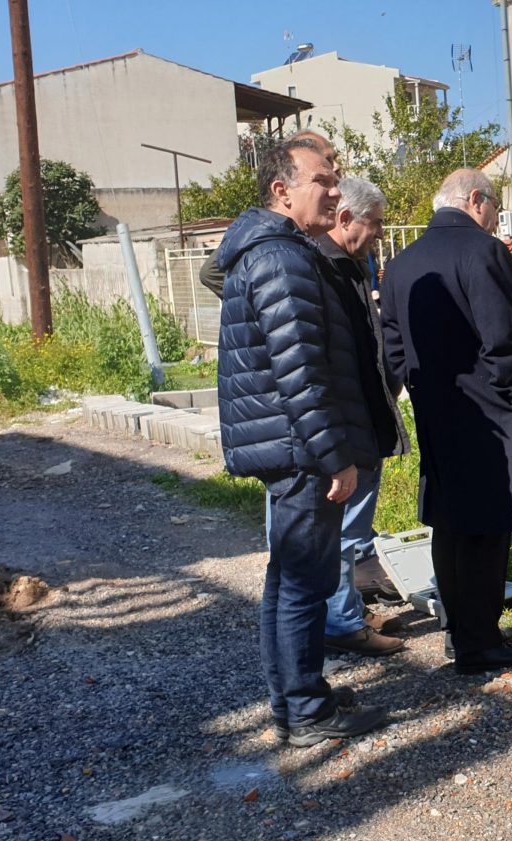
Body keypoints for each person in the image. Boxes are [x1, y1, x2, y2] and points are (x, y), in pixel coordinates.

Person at [214, 139, 386, 746]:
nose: (335, 190)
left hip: (289, 446)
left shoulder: (272, 251)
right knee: (302, 583)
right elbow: (301, 372)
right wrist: (332, 456)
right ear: (282, 191)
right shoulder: (282, 260)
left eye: (336, 179)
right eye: (323, 180)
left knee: (290, 580)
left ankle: (297, 702)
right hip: (300, 450)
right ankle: (307, 713)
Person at [379, 169, 512, 675]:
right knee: (487, 529)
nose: (496, 218)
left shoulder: (401, 263)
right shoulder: (483, 251)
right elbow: (505, 340)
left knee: (449, 524)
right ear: (476, 200)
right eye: (494, 207)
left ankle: (457, 631)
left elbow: (392, 348)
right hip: (488, 416)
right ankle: (481, 644)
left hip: (436, 410)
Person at [312, 175, 409, 657]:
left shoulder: (351, 264)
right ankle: (344, 624)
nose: (377, 234)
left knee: (346, 531)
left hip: (361, 415)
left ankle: (342, 612)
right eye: (373, 224)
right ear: (346, 217)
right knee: (345, 531)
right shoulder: (322, 267)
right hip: (348, 422)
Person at [199, 130, 339, 299]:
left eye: (334, 158)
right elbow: (211, 272)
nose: (336, 165)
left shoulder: (333, 212)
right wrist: (263, 296)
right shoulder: (273, 235)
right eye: (328, 159)